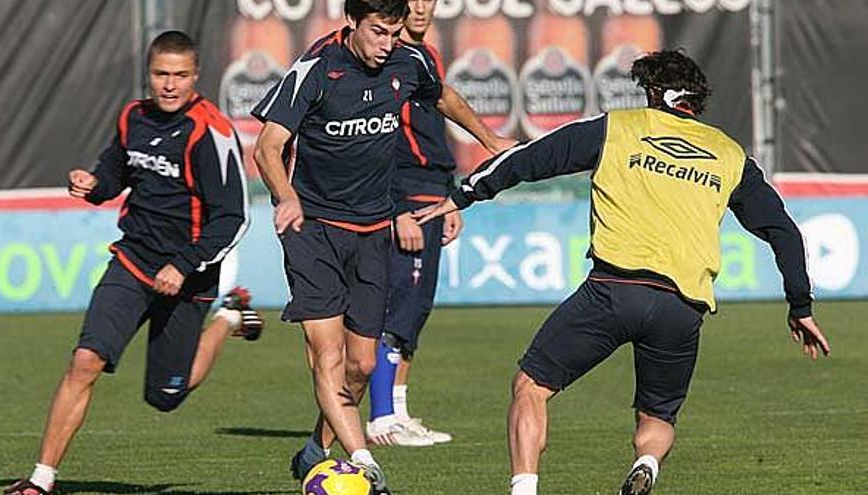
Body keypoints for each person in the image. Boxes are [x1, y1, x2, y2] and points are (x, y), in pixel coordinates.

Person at [414, 50, 831, 495]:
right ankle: (647, 463)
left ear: (653, 92)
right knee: (657, 418)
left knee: (531, 386)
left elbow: (529, 159)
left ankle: (524, 489)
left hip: (613, 290)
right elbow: (783, 231)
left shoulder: (617, 128)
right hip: (681, 308)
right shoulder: (729, 155)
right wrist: (799, 306)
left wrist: (465, 195)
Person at [250, 0, 505, 490]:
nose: (388, 44)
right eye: (378, 32)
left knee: (361, 365)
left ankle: (314, 451)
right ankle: (366, 464)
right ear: (351, 22)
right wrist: (286, 198)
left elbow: (442, 96)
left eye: (394, 32)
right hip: (314, 229)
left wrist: (489, 139)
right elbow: (267, 145)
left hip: (372, 231)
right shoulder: (316, 69)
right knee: (326, 356)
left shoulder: (409, 61)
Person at [4, 31, 262, 495]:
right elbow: (115, 173)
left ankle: (227, 317)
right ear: (149, 74)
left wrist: (183, 265)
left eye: (180, 75)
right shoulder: (132, 118)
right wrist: (92, 183)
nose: (169, 85)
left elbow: (233, 218)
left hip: (188, 277)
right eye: (161, 74)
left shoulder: (212, 132)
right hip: (133, 262)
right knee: (85, 360)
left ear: (195, 76)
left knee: (166, 396)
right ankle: (40, 480)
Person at [365, 0, 507, 447]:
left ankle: (398, 410)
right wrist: (396, 208)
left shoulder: (424, 57)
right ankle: (381, 416)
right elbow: (376, 137)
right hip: (404, 196)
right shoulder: (383, 65)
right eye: (412, 2)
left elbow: (434, 122)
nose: (422, 8)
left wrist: (450, 198)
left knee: (414, 311)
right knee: (395, 309)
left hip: (430, 192)